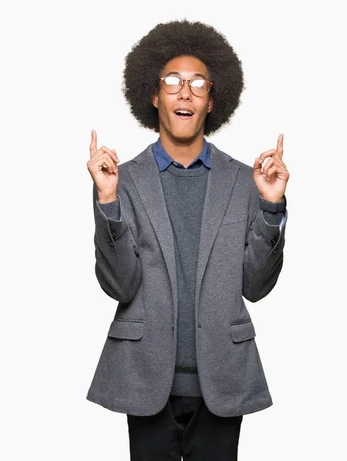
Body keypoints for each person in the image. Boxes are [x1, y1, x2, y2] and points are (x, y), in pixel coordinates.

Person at [85, 19, 289, 460]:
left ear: (212, 100)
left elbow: (256, 286)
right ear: (154, 95)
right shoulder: (121, 181)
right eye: (173, 81)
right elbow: (120, 285)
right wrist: (107, 200)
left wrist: (271, 207)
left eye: (198, 83)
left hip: (223, 377)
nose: (185, 91)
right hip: (145, 378)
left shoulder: (243, 180)